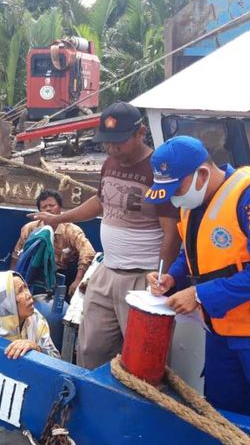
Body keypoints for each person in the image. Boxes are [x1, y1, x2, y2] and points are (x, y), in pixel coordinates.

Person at [144, 135, 250, 430]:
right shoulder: (191, 203)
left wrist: (198, 295)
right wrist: (171, 277)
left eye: (176, 188)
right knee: (222, 419)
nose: (174, 197)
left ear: (202, 174)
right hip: (221, 329)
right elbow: (192, 252)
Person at [29, 102, 180, 369]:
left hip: (142, 277)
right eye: (107, 143)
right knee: (90, 348)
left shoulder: (158, 171)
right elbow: (101, 202)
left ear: (140, 133)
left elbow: (171, 233)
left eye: (119, 143)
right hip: (106, 270)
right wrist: (58, 218)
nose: (112, 149)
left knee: (142, 359)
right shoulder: (110, 163)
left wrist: (161, 278)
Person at [10, 189, 96, 297]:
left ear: (60, 208)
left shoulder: (72, 230)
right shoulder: (30, 228)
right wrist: (13, 278)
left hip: (64, 275)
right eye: (44, 207)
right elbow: (17, 254)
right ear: (39, 211)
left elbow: (88, 253)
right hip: (36, 272)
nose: (48, 209)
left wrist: (78, 280)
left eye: (52, 205)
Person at [0, 271, 60, 359]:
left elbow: (56, 359)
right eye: (20, 291)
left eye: (25, 287)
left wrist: (36, 348)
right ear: (4, 304)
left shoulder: (36, 318)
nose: (29, 295)